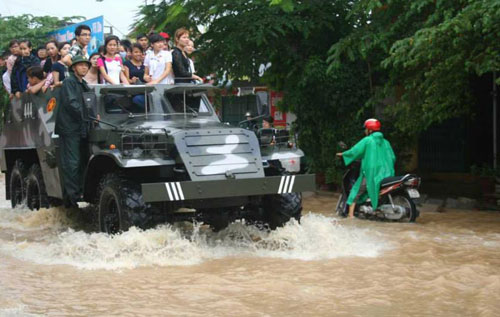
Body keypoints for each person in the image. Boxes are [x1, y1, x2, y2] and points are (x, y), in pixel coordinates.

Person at [336, 119, 396, 218]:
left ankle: (350, 216)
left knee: (356, 190)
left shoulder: (368, 140)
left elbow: (355, 151)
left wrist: (343, 154)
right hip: (387, 174)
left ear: (370, 130)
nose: (365, 131)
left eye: (366, 129)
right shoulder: (386, 142)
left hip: (371, 173)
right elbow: (393, 157)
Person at [55, 55, 92, 208]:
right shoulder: (69, 82)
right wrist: (87, 116)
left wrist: (93, 115)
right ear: (74, 67)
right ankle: (73, 197)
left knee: (83, 160)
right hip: (70, 128)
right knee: (72, 162)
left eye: (86, 65)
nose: (84, 67)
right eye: (81, 65)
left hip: (81, 127)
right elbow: (72, 103)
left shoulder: (84, 84)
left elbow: (89, 102)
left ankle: (82, 193)